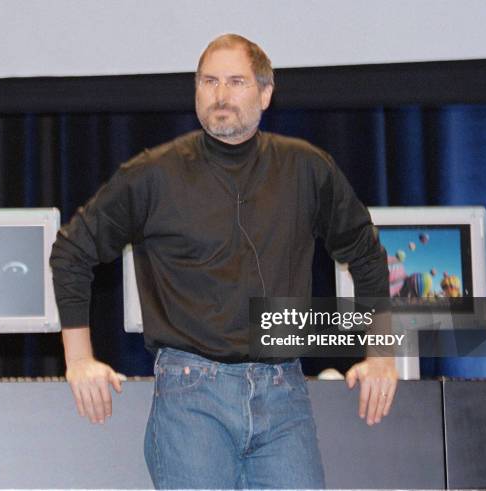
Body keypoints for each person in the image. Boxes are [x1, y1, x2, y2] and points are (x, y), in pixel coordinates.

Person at [50, 33, 398, 489]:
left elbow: (368, 254)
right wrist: (78, 359)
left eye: (236, 81)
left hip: (282, 393)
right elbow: (72, 251)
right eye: (209, 81)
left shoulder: (306, 169)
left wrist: (381, 354)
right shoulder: (153, 174)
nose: (221, 94)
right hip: (191, 394)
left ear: (265, 93)